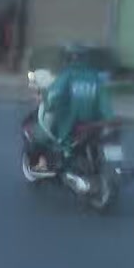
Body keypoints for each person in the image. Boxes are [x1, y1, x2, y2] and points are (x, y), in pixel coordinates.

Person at [28, 44, 114, 173]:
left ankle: (51, 162)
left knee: (41, 135)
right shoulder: (95, 77)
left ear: (69, 58)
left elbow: (54, 96)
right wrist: (109, 119)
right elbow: (105, 102)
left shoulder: (67, 75)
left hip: (70, 122)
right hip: (94, 122)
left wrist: (47, 104)